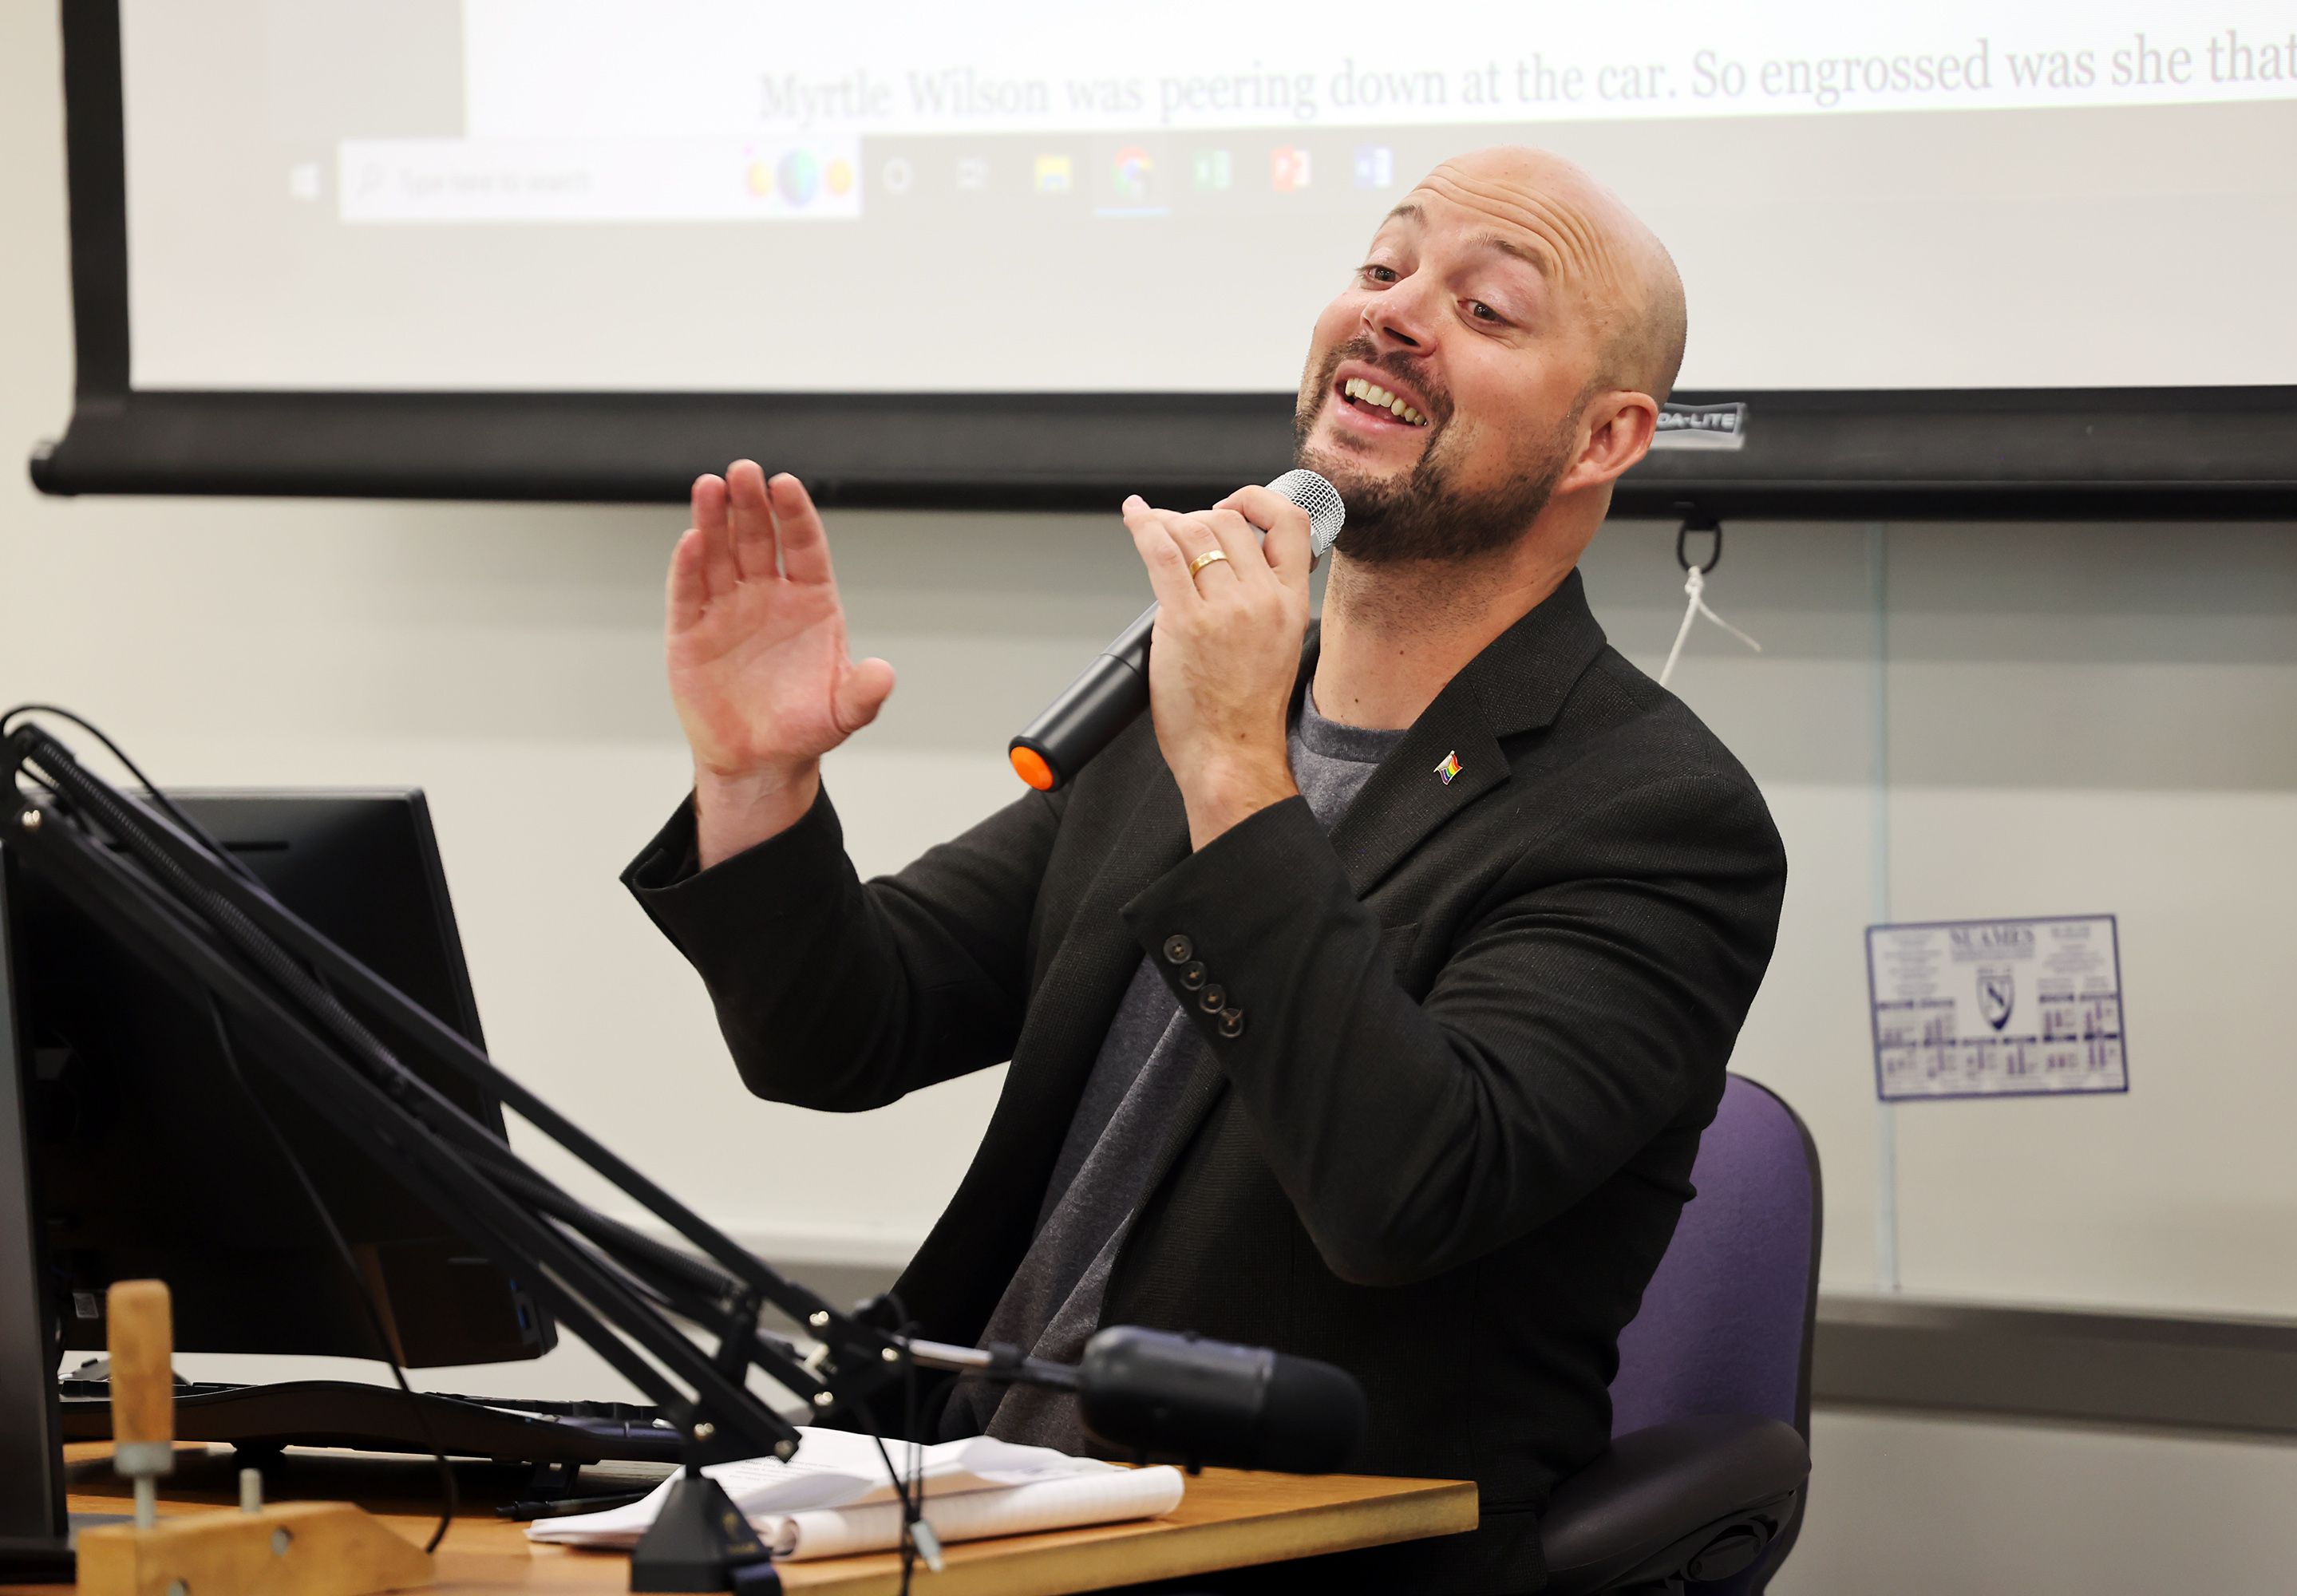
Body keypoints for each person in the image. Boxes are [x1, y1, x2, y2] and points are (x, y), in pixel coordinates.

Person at [623, 146, 1785, 1594]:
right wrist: (758, 778)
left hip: (1275, 1547)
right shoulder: (1192, 711)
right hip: (966, 1512)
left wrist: (1237, 764)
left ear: (1606, 438)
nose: (1394, 314)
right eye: (1381, 268)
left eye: (1485, 311)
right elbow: (841, 1030)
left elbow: (1399, 1192)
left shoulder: (1657, 816)